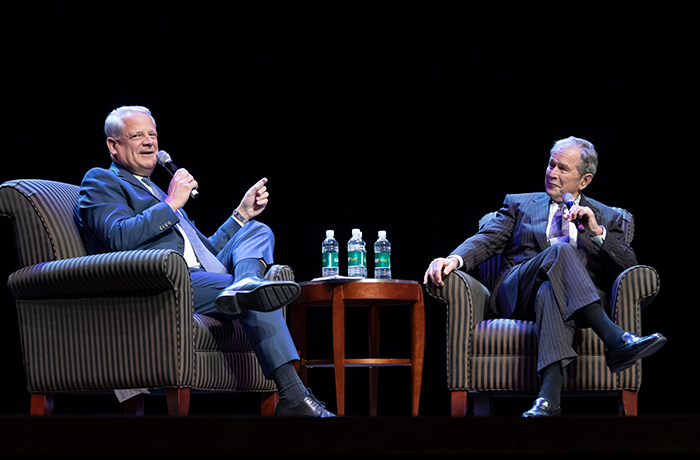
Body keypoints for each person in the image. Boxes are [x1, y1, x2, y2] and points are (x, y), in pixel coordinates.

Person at [78, 105, 335, 417]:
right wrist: (173, 202)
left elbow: (205, 252)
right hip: (163, 283)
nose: (149, 142)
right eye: (136, 136)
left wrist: (239, 215)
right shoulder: (101, 181)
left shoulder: (158, 189)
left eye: (153, 135)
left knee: (256, 229)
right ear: (113, 145)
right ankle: (293, 397)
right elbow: (118, 238)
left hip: (199, 277)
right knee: (251, 294)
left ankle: (244, 283)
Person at [423, 136, 666, 417]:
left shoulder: (605, 216)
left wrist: (597, 233)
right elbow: (487, 239)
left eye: (563, 168)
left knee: (550, 293)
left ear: (584, 180)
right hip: (517, 292)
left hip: (570, 299)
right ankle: (615, 339)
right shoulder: (519, 204)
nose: (552, 173)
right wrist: (453, 258)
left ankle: (548, 400)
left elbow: (629, 266)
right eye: (551, 164)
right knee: (560, 252)